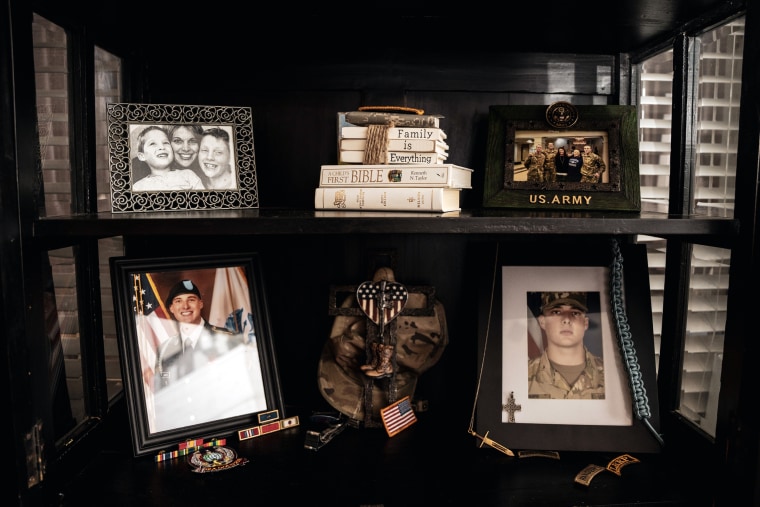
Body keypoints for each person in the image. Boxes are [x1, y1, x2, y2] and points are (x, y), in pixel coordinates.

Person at [152, 279, 262, 431]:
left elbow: (240, 390)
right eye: (178, 301)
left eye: (191, 300)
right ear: (171, 308)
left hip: (222, 424)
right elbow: (165, 395)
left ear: (201, 304)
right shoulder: (165, 350)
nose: (185, 306)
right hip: (183, 427)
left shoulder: (228, 340)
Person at [528, 291, 605, 400]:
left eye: (575, 313)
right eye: (556, 312)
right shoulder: (522, 375)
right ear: (542, 322)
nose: (567, 320)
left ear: (586, 323)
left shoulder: (610, 375)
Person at [131, 126, 205, 191]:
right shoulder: (138, 187)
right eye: (152, 143)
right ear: (142, 156)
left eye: (165, 143)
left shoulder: (188, 175)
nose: (162, 147)